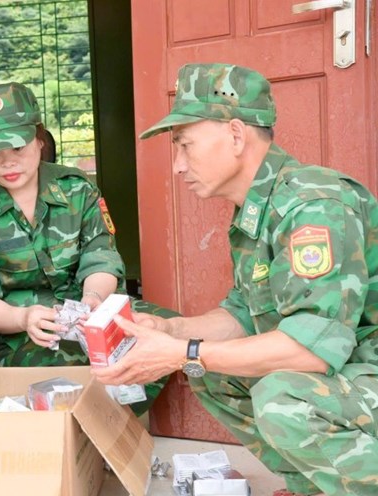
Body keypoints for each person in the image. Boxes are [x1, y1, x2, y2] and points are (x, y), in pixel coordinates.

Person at [95, 63, 378, 496]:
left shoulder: (312, 205)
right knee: (209, 369)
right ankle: (317, 486)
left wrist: (181, 352)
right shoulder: (258, 208)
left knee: (283, 400)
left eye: (185, 145)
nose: (177, 166)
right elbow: (246, 312)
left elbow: (310, 351)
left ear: (235, 135)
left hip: (366, 368)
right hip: (352, 371)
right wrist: (174, 331)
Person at [0, 82, 177, 416]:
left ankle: (113, 424)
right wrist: (23, 318)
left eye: (18, 149)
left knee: (165, 333)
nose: (8, 163)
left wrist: (92, 303)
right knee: (57, 368)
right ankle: (75, 438)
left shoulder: (76, 189)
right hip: (15, 333)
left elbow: (101, 257)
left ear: (39, 139)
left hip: (86, 309)